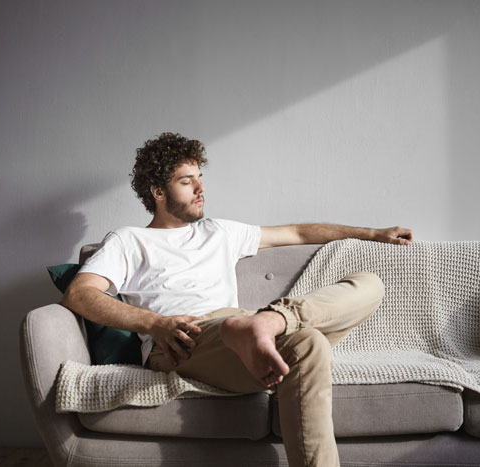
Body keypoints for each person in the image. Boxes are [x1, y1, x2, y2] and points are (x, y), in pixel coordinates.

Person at [62, 132, 414, 467]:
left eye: (200, 177)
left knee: (370, 285)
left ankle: (270, 322)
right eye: (187, 181)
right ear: (157, 191)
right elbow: (80, 294)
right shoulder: (129, 240)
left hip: (243, 324)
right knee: (308, 343)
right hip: (187, 336)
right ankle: (257, 326)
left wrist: (373, 233)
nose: (201, 188)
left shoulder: (219, 231)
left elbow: (298, 232)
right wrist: (156, 323)